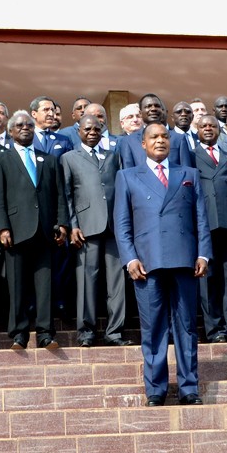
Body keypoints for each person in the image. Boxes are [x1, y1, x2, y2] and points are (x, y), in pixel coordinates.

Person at [114, 123, 212, 406]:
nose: (160, 141)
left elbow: (201, 218)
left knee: (186, 327)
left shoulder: (188, 174)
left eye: (164, 137)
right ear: (142, 144)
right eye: (153, 137)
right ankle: (156, 389)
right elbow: (122, 223)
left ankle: (188, 387)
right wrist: (130, 257)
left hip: (185, 260)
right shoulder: (127, 176)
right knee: (153, 328)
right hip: (147, 262)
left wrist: (203, 254)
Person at [0, 111, 69, 350]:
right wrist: (2, 227)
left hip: (45, 231)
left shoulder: (49, 159)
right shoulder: (1, 159)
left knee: (45, 286)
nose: (25, 128)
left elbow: (59, 195)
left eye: (29, 125)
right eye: (20, 125)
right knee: (17, 285)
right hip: (16, 231)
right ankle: (19, 334)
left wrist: (63, 223)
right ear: (11, 131)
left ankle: (45, 333)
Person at [61, 115, 134, 347]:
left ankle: (115, 332)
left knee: (117, 282)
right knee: (87, 281)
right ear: (79, 131)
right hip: (86, 227)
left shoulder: (113, 157)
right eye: (87, 129)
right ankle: (86, 332)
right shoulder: (69, 158)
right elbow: (67, 196)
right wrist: (73, 226)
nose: (92, 132)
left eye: (97, 129)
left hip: (113, 228)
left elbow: (122, 191)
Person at [193, 115, 227, 343]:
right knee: (209, 279)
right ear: (197, 130)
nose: (208, 129)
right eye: (204, 126)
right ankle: (214, 329)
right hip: (204, 227)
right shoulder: (190, 157)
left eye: (212, 126)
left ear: (219, 130)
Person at [119, 94, 193, 168]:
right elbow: (128, 174)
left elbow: (186, 171)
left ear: (162, 110)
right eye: (148, 106)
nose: (153, 109)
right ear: (140, 113)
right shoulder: (129, 141)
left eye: (157, 106)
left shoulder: (179, 138)